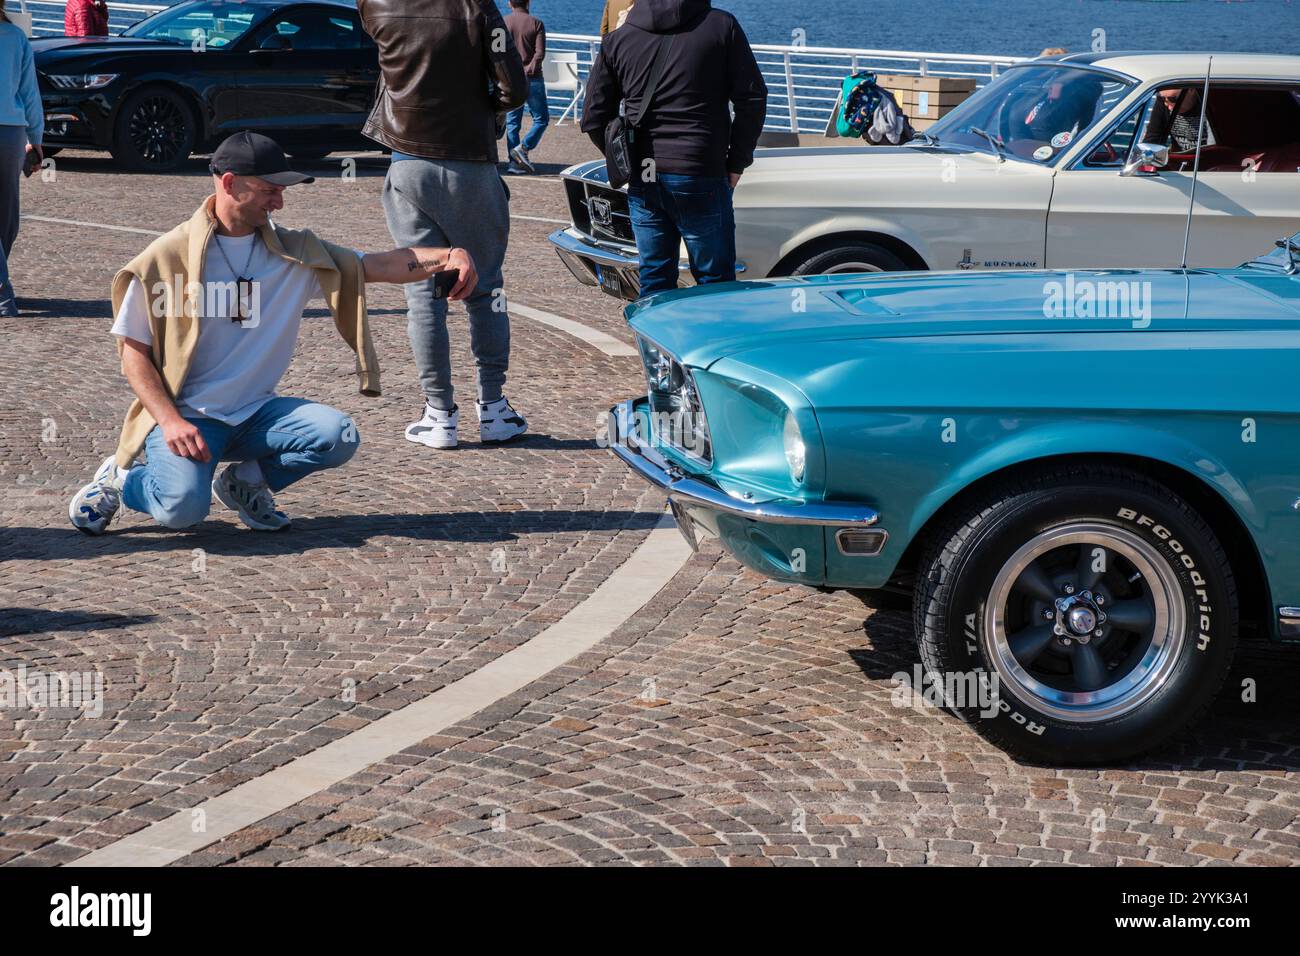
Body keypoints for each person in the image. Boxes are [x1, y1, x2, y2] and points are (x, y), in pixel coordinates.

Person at [67, 132, 479, 536]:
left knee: (338, 435)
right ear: (229, 183)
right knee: (182, 511)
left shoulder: (295, 255)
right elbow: (133, 353)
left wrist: (449, 255)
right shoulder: (164, 260)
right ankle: (124, 480)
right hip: (189, 418)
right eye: (269, 190)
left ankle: (244, 483)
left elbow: (378, 265)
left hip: (255, 415)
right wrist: (171, 421)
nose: (279, 201)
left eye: (282, 191)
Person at [358, 0, 529, 450]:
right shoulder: (477, 6)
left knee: (422, 293)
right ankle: (493, 409)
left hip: (407, 161)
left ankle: (438, 415)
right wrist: (483, 105)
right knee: (486, 289)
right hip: (469, 160)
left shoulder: (376, 4)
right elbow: (514, 88)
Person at [582, 0, 766, 298]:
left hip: (645, 175)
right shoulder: (721, 26)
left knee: (654, 278)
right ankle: (710, 344)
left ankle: (654, 346)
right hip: (700, 170)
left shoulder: (619, 38)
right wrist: (737, 162)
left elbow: (593, 117)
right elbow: (753, 98)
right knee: (715, 282)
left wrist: (621, 161)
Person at [0, 0, 42, 318]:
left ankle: (3, 294)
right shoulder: (16, 37)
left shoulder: (16, 39)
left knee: (7, 218)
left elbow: (28, 91)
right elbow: (30, 93)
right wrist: (35, 140)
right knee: (7, 216)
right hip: (13, 133)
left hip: (13, 132)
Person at [504, 0, 549, 175]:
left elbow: (499, 52)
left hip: (511, 79)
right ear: (528, 2)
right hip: (533, 78)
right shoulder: (537, 23)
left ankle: (513, 163)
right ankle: (523, 148)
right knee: (541, 119)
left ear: (510, 3)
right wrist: (529, 68)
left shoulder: (504, 22)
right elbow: (540, 53)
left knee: (512, 122)